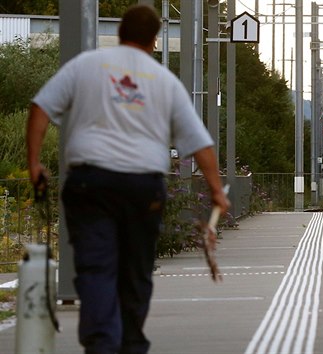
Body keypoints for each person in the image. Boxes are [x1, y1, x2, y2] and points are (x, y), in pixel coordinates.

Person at [26, 5, 230, 354]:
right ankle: (131, 344)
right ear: (154, 40)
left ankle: (102, 345)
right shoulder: (164, 80)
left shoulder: (85, 65)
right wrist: (216, 192)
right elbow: (200, 143)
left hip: (90, 184)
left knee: (95, 266)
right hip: (142, 188)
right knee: (135, 270)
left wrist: (33, 164)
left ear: (119, 31)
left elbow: (40, 108)